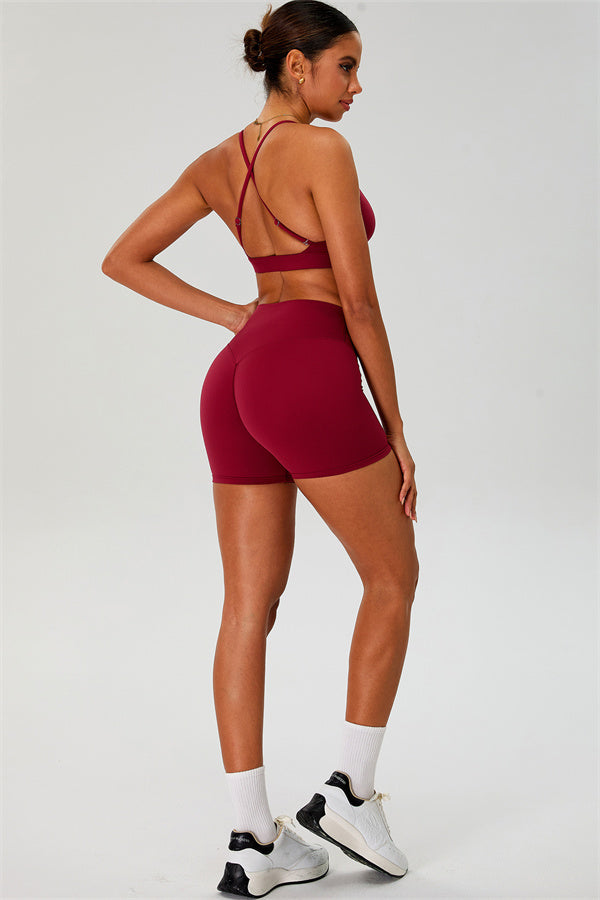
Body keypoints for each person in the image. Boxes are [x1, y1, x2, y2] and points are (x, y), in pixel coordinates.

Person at [101, 0, 419, 895]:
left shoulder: (216, 163)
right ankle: (350, 791)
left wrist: (238, 317)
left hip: (236, 378)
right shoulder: (323, 151)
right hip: (306, 367)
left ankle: (251, 838)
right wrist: (397, 429)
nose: (356, 87)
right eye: (346, 66)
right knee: (394, 577)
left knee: (247, 607)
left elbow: (123, 258)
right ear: (297, 67)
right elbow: (358, 302)